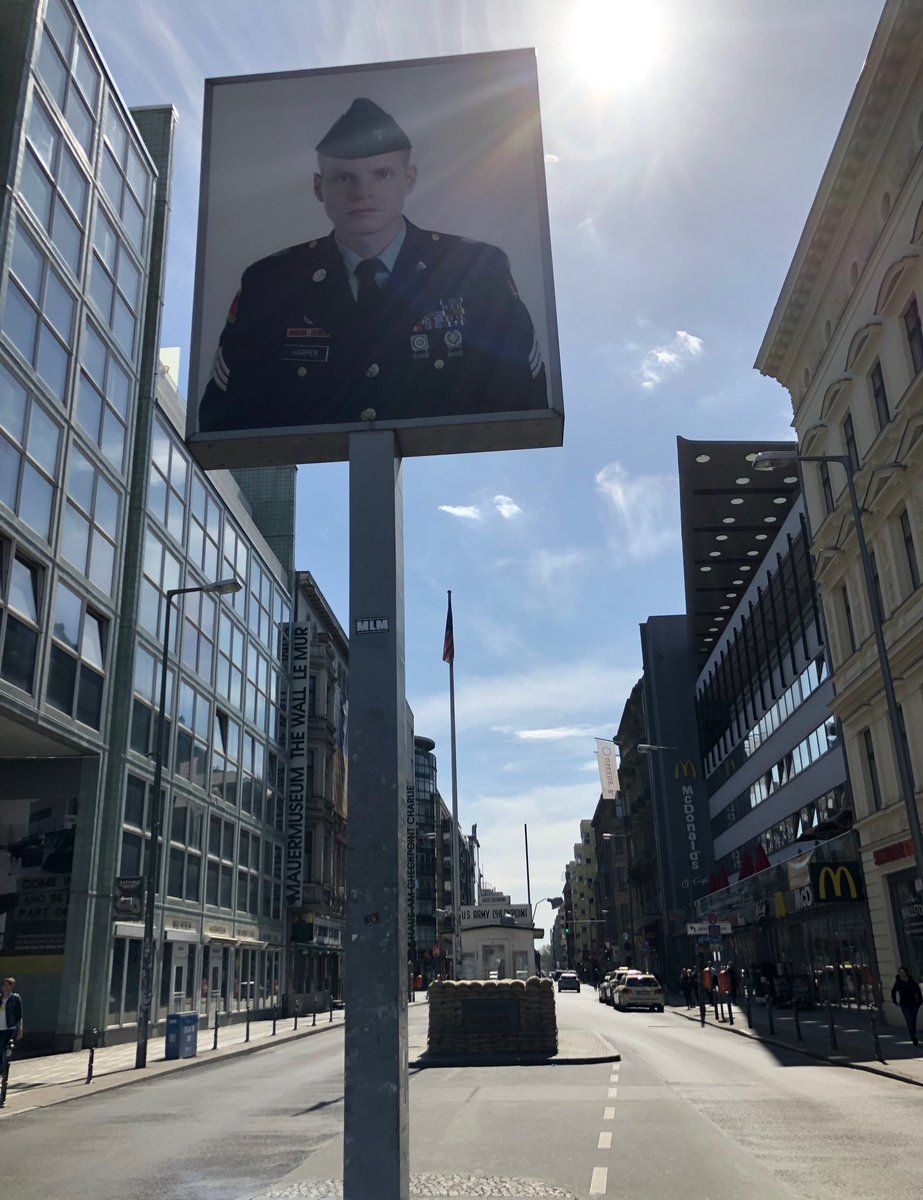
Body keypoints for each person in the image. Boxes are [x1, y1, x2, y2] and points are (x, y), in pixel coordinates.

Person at [198, 98, 548, 434]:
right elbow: (225, 417)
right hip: (320, 482)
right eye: (343, 177)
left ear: (408, 179)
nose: (361, 192)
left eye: (380, 174)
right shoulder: (270, 282)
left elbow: (523, 398)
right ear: (320, 187)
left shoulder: (476, 269)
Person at [890, 966, 922, 1046]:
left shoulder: (911, 981)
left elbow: (918, 991)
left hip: (914, 1003)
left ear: (906, 973)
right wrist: (895, 1001)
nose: (901, 974)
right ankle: (913, 1036)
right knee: (909, 1020)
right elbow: (893, 992)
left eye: (903, 972)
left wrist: (920, 1001)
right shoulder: (898, 982)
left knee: (913, 1020)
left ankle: (912, 1034)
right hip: (904, 1004)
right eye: (900, 972)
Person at [0, 976, 24, 1062]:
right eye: (4, 985)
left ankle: (4, 1066)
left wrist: (20, 1028)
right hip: (0, 1028)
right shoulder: (0, 998)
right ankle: (3, 1069)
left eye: (7, 986)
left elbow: (19, 1014)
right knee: (1, 1050)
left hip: (10, 1028)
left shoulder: (15, 998)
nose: (5, 988)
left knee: (5, 1047)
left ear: (11, 986)